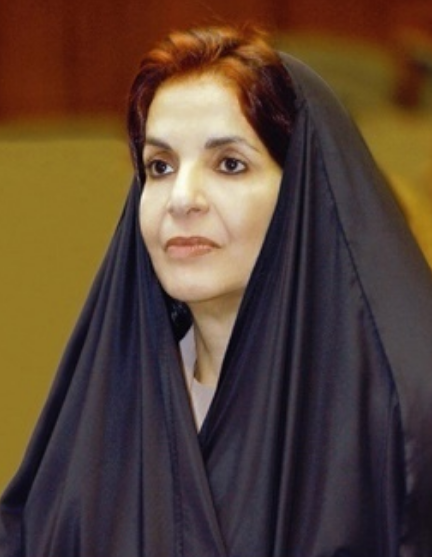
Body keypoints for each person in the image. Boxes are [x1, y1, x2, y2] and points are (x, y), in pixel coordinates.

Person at [1, 24, 432, 557]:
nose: (182, 198)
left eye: (230, 164)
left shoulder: (399, 416)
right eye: (159, 167)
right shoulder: (100, 410)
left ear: (305, 191)